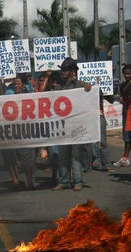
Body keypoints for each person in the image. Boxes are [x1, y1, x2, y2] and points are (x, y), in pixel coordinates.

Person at [51, 58, 92, 192]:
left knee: (76, 155)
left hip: (76, 126)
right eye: (62, 70)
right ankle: (63, 181)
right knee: (62, 154)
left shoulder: (80, 85)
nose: (63, 72)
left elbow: (93, 95)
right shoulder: (58, 87)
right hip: (63, 126)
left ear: (72, 71)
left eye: (66, 70)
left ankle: (77, 181)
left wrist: (89, 88)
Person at [2, 77, 36, 190]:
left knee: (28, 160)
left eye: (18, 84)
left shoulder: (29, 96)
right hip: (12, 131)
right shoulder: (9, 98)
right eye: (15, 84)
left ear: (23, 85)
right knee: (11, 158)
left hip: (26, 131)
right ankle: (15, 182)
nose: (16, 86)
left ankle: (30, 182)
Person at [114, 65, 131, 168]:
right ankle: (125, 157)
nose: (127, 75)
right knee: (126, 135)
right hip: (126, 111)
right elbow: (122, 96)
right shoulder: (122, 85)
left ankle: (130, 157)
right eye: (125, 74)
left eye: (129, 73)